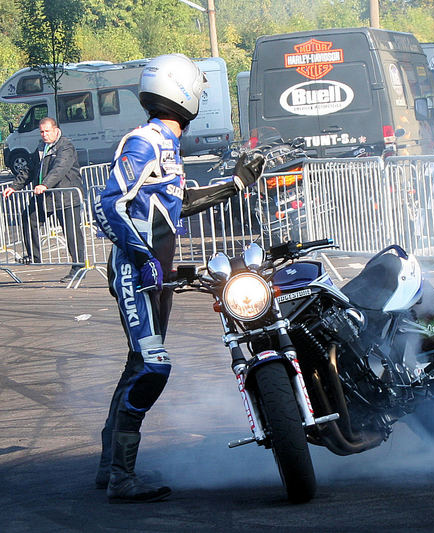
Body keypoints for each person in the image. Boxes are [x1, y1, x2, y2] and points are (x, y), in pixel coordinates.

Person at [93, 54, 265, 503]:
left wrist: (237, 184)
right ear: (184, 94)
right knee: (153, 364)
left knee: (138, 361)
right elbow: (108, 204)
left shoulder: (164, 145)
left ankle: (109, 464)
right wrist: (142, 258)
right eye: (200, 93)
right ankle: (120, 479)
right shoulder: (145, 141)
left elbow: (176, 202)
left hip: (154, 273)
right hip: (138, 273)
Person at [2, 117, 86, 282]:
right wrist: (15, 186)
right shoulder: (41, 147)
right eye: (42, 132)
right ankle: (34, 256)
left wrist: (45, 185)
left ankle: (78, 267)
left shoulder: (65, 146)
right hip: (45, 197)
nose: (44, 135)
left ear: (55, 130)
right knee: (29, 217)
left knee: (72, 233)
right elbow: (29, 169)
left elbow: (59, 169)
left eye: (47, 131)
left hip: (65, 196)